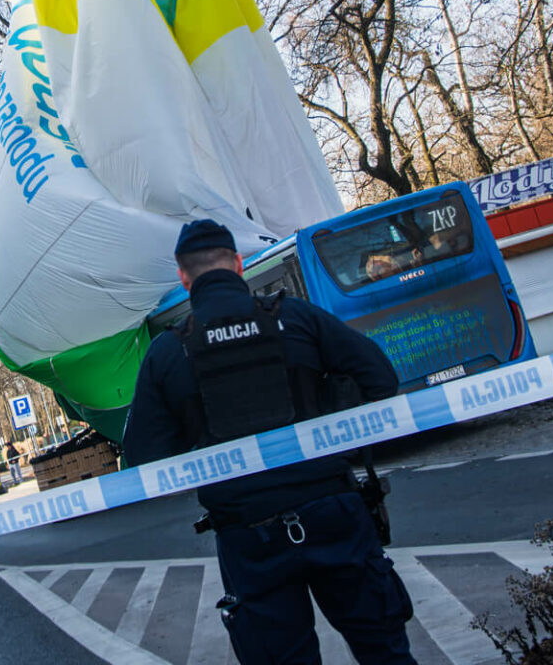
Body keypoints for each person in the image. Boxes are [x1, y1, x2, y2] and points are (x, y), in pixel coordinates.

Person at [124, 219, 416, 665]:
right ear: (238, 265)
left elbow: (144, 461)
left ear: (183, 278)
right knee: (386, 653)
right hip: (333, 513)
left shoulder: (168, 353)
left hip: (249, 539)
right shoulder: (295, 317)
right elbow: (380, 378)